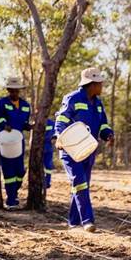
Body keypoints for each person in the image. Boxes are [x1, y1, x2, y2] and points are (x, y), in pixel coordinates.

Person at [54, 67, 114, 232]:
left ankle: (73, 223)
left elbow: (103, 123)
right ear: (91, 84)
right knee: (80, 184)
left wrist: (108, 134)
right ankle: (88, 220)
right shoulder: (73, 98)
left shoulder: (98, 103)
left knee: (81, 185)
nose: (102, 85)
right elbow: (61, 119)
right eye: (100, 83)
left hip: (88, 150)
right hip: (70, 150)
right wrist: (58, 136)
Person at [0, 76, 32, 210]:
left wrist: (30, 126)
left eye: (17, 90)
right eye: (12, 90)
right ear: (8, 90)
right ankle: (11, 200)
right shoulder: (2, 103)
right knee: (8, 171)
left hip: (18, 141)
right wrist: (4, 125)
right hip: (6, 141)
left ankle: (14, 193)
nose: (14, 93)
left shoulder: (25, 105)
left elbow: (24, 124)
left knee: (20, 171)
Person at [43, 118, 56, 189]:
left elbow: (54, 134)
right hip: (39, 148)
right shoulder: (36, 121)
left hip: (48, 148)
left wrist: (53, 139)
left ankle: (47, 182)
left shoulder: (52, 123)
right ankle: (43, 182)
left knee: (48, 167)